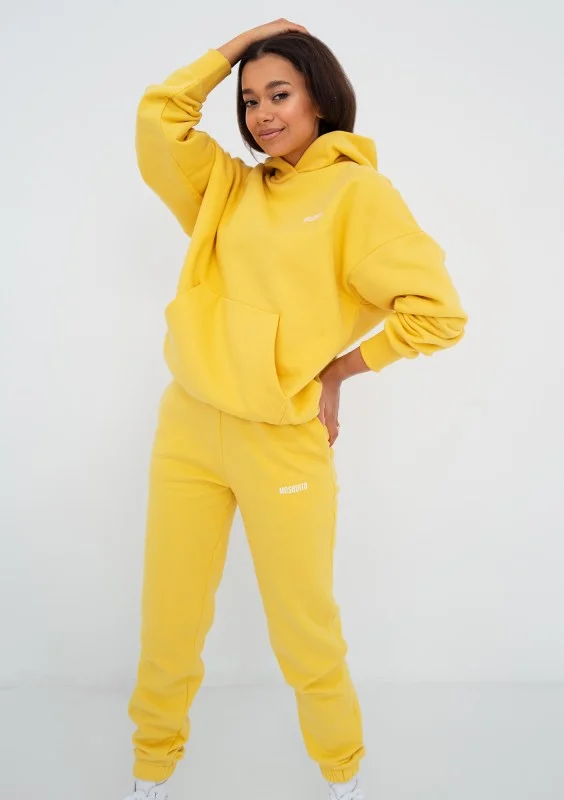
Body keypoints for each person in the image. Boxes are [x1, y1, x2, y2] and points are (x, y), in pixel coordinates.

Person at [123, 19, 467, 800]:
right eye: (249, 101)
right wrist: (239, 45)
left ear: (320, 98)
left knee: (303, 629)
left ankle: (342, 773)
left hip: (281, 438)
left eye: (278, 93)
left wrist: (339, 371)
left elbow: (438, 314)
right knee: (169, 621)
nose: (261, 114)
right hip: (188, 426)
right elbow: (158, 120)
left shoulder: (358, 194)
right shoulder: (228, 188)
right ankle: (150, 770)